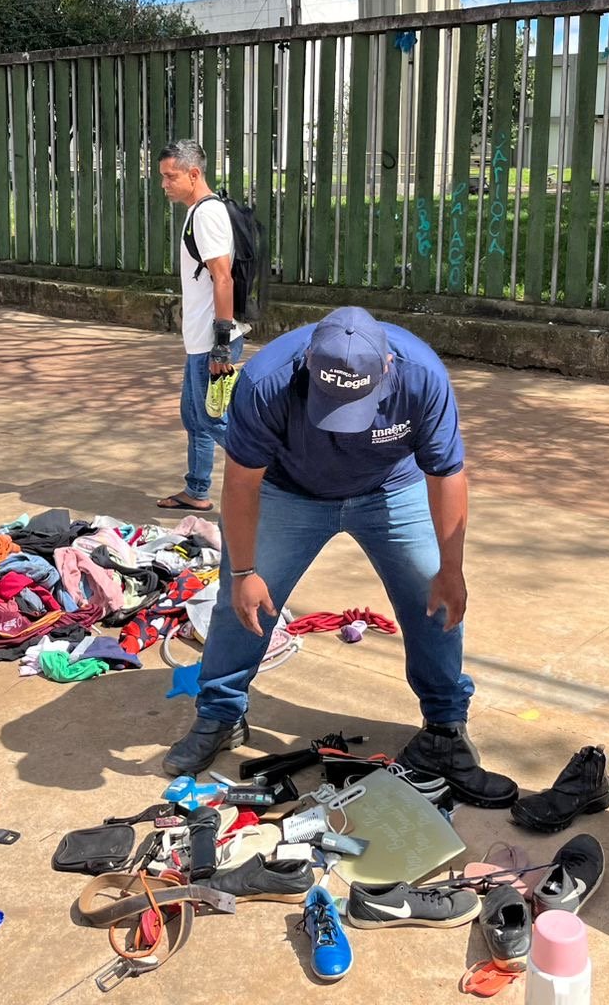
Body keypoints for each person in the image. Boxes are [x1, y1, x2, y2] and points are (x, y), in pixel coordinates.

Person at [162, 306, 517, 811]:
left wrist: (451, 569)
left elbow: (446, 474)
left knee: (434, 596)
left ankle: (444, 726)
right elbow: (241, 484)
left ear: (388, 368)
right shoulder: (266, 381)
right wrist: (243, 571)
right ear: (307, 362)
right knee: (240, 602)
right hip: (290, 493)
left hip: (392, 488)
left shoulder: (422, 376)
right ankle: (220, 713)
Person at [154, 139, 244, 512]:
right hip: (201, 339)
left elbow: (224, 278)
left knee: (213, 421)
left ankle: (278, 476)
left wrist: (221, 344)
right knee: (195, 417)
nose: (164, 184)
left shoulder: (207, 215)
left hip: (213, 340)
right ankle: (197, 489)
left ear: (194, 174)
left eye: (170, 176)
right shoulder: (199, 212)